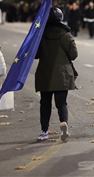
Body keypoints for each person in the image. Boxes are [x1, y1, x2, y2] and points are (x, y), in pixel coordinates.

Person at [35, 7, 78, 142]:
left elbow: (35, 55)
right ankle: (63, 125)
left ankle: (44, 131)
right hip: (62, 75)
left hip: (45, 74)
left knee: (45, 103)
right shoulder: (66, 35)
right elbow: (74, 55)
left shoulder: (41, 35)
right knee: (61, 103)